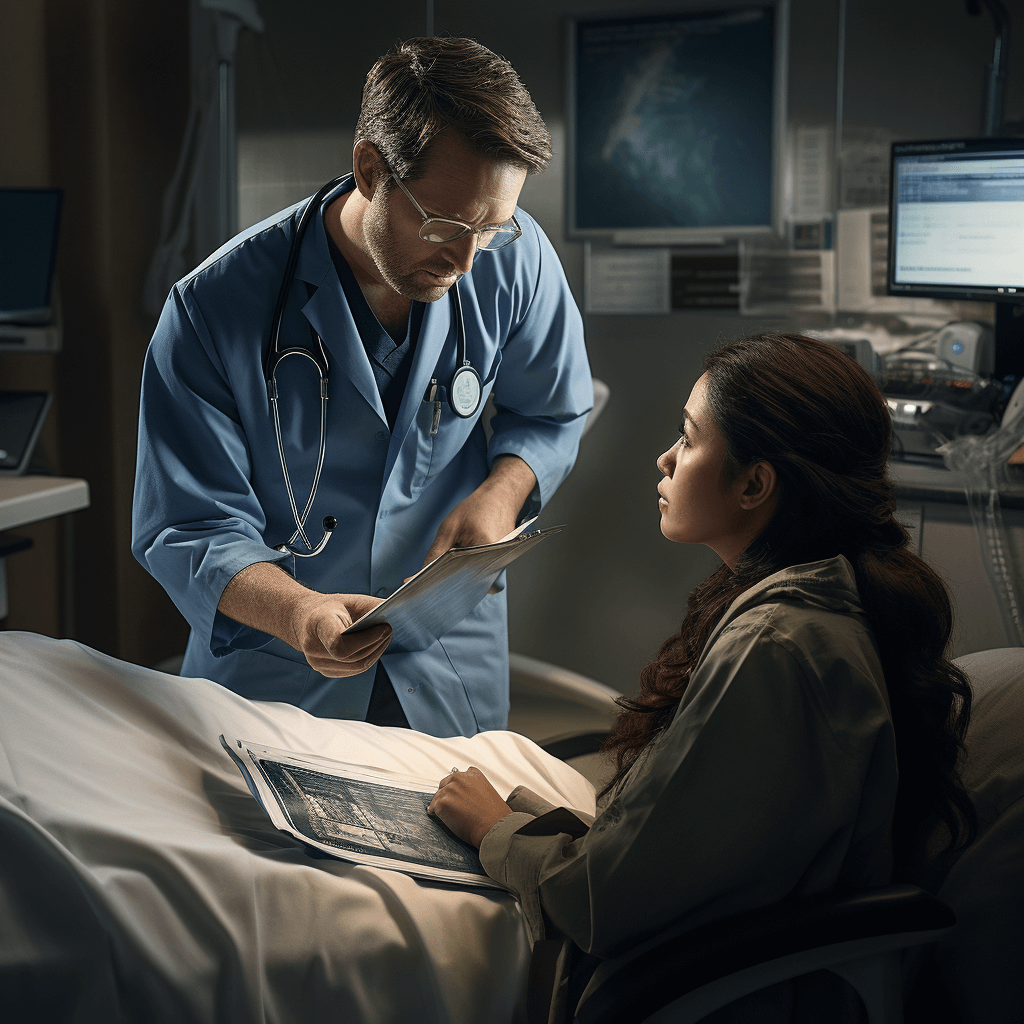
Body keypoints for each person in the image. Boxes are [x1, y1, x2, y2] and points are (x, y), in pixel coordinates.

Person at [428, 333, 977, 1023]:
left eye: (688, 440)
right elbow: (681, 845)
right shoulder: (806, 609)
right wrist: (530, 822)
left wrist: (494, 833)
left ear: (755, 483)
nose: (664, 458)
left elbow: (605, 903)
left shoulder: (776, 649)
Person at [132, 37, 593, 736]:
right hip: (280, 667)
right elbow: (188, 526)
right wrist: (295, 611)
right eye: (445, 224)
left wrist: (501, 495)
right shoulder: (213, 309)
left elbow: (555, 409)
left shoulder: (517, 258)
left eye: (491, 228)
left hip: (444, 651)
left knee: (460, 834)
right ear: (370, 171)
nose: (468, 260)